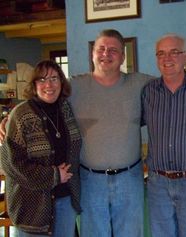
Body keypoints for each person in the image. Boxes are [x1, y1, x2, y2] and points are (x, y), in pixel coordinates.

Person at [69, 29, 153, 237]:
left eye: (113, 50)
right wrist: (11, 117)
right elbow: (41, 99)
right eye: (101, 49)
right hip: (90, 180)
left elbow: (174, 84)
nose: (106, 54)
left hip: (130, 178)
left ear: (123, 56)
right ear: (92, 53)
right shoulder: (73, 87)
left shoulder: (140, 83)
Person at [142, 34, 186, 237]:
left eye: (175, 52)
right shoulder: (148, 92)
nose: (167, 58)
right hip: (158, 183)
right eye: (161, 53)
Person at [0, 60, 82, 237]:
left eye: (54, 78)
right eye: (42, 79)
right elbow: (11, 164)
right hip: (32, 208)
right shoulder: (21, 115)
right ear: (34, 84)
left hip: (66, 200)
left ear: (61, 82)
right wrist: (53, 176)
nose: (49, 85)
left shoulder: (67, 109)